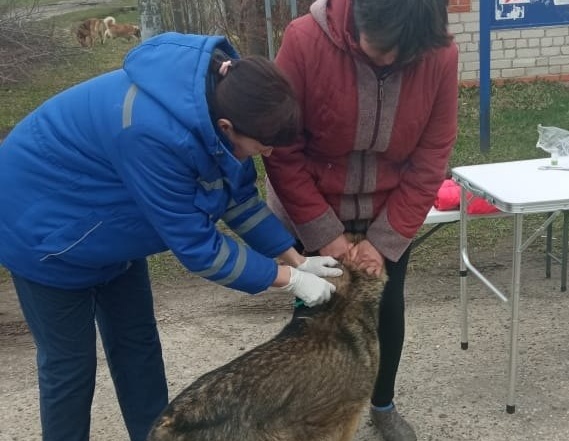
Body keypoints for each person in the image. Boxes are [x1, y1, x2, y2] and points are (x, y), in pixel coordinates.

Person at [0, 32, 342, 441]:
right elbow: (199, 249)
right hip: (44, 234)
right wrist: (289, 280)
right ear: (226, 127)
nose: (267, 154)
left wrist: (295, 258)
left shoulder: (223, 101)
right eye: (263, 146)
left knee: (138, 348)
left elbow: (239, 199)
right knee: (69, 367)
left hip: (109, 230)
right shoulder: (150, 132)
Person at [263, 0, 459, 439]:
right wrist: (324, 233)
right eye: (378, 48)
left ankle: (382, 404)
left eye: (399, 53)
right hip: (313, 204)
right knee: (314, 317)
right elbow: (283, 149)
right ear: (358, 20)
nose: (387, 61)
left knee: (386, 309)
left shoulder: (440, 53)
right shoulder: (303, 40)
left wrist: (384, 240)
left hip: (387, 211)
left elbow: (432, 155)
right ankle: (312, 418)